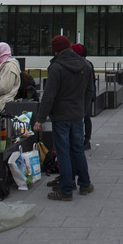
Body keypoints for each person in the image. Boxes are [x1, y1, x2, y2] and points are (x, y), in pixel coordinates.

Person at [33, 35, 92, 201]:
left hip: (61, 115)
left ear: (55, 48)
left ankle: (66, 189)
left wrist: (40, 118)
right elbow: (89, 91)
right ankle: (85, 183)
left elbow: (49, 95)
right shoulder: (84, 65)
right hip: (77, 114)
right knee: (78, 149)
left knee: (63, 152)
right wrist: (83, 109)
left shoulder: (56, 67)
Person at [70, 43, 95, 147]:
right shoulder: (88, 64)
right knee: (85, 117)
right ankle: (85, 139)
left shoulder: (85, 65)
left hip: (83, 96)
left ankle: (84, 139)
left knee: (84, 117)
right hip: (85, 95)